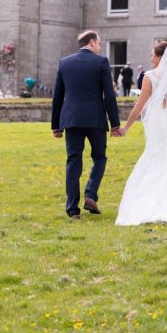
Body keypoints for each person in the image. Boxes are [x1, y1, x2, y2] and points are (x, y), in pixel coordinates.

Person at [115, 42, 167, 226]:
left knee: (155, 155)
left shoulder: (150, 77)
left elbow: (139, 106)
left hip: (158, 122)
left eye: (152, 54)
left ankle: (151, 200)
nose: (150, 58)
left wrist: (126, 127)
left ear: (161, 57)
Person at [50, 30, 121, 220]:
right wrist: (115, 124)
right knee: (99, 157)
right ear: (91, 42)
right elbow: (109, 95)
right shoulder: (101, 62)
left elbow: (57, 96)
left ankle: (73, 210)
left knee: (73, 161)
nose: (99, 47)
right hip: (95, 119)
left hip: (72, 119)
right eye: (98, 43)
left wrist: (56, 125)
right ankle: (90, 194)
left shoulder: (65, 63)